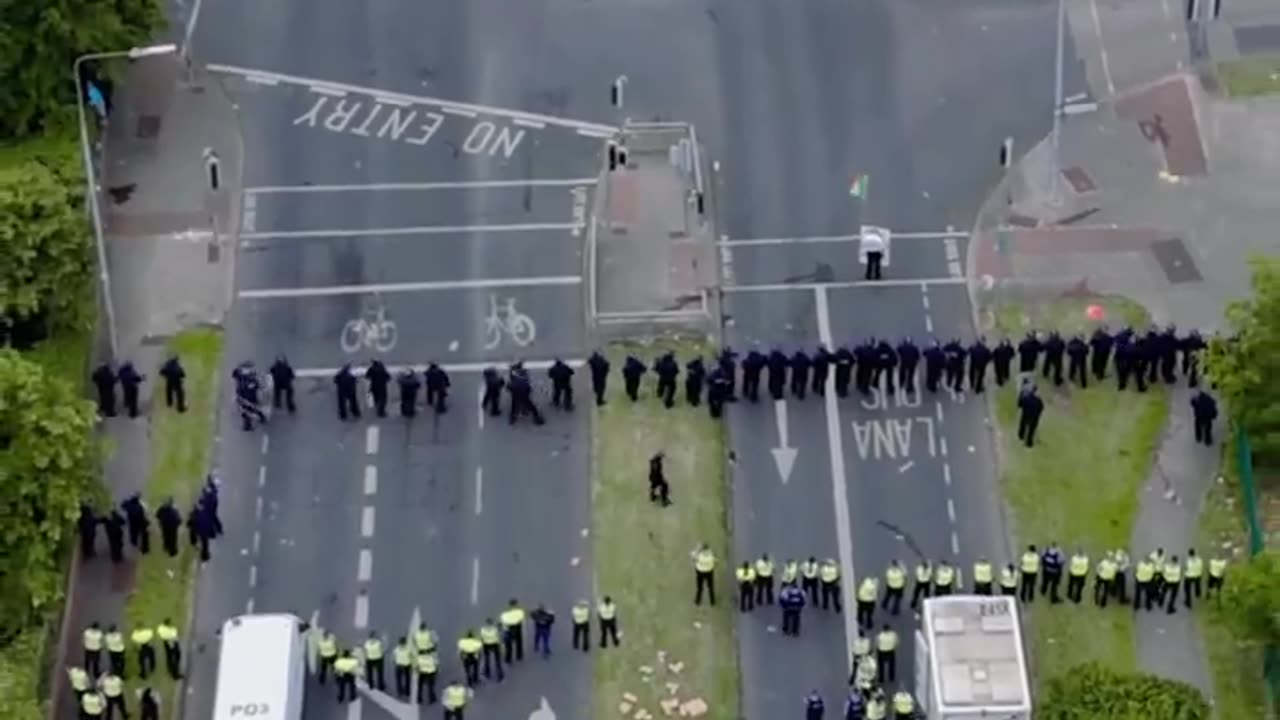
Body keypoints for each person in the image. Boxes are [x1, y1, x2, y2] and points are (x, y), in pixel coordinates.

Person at [234, 362, 267, 430]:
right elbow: (256, 385)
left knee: (250, 410)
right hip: (245, 398)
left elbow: (258, 384)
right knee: (247, 411)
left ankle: (261, 418)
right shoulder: (243, 378)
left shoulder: (249, 377)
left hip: (248, 398)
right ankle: (248, 425)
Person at [1016, 381, 1044, 448]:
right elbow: (1041, 408)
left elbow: (1019, 404)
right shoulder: (1038, 400)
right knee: (1031, 430)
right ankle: (1029, 442)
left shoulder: (1026, 398)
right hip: (1034, 418)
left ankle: (1021, 435)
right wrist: (1038, 414)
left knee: (1023, 425)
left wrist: (1021, 394)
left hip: (1025, 415)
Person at [500, 598, 526, 663]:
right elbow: (522, 618)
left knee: (508, 645)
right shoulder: (519, 611)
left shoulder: (506, 612)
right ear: (516, 604)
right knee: (519, 642)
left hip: (508, 628)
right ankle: (519, 655)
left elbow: (503, 620)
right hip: (517, 627)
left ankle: (508, 658)